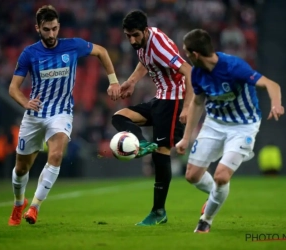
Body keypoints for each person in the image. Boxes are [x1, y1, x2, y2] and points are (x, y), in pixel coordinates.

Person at [8, 5, 120, 226]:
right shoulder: (29, 53)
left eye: (54, 29)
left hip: (61, 112)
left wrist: (114, 80)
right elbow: (13, 87)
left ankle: (35, 207)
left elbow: (102, 52)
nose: (51, 34)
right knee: (21, 168)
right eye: (46, 29)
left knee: (56, 155)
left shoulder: (73, 46)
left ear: (59, 27)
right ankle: (19, 204)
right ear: (37, 28)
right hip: (35, 114)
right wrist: (25, 102)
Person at [175, 29, 284, 233]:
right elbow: (198, 102)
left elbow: (271, 84)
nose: (185, 56)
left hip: (243, 126)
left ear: (195, 54)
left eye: (186, 52)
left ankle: (206, 220)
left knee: (222, 176)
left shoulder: (234, 67)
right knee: (191, 175)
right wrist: (186, 138)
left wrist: (276, 104)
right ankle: (217, 194)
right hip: (214, 124)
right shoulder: (197, 73)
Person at [111, 10, 193, 226]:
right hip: (159, 98)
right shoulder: (143, 43)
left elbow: (189, 71)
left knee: (161, 152)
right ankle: (142, 144)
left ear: (145, 31)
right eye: (128, 36)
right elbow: (144, 62)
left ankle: (158, 211)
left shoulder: (159, 45)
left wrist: (188, 107)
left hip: (174, 100)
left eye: (135, 35)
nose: (132, 40)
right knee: (119, 117)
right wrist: (132, 81)